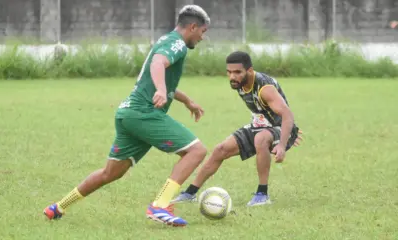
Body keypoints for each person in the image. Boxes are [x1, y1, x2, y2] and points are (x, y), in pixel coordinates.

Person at [43, 5, 211, 227]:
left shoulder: (166, 39)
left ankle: (58, 207)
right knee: (196, 150)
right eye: (203, 31)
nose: (202, 37)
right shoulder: (177, 43)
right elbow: (158, 63)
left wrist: (185, 99)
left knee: (110, 173)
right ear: (192, 27)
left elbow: (152, 78)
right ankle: (160, 205)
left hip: (128, 113)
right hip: (143, 113)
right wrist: (161, 90)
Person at [172, 51, 303, 206]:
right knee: (220, 149)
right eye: (229, 72)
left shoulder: (265, 88)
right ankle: (190, 193)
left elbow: (287, 114)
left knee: (261, 138)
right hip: (260, 125)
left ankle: (262, 195)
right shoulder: (240, 83)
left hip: (279, 126)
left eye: (237, 72)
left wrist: (282, 143)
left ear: (249, 70)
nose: (232, 77)